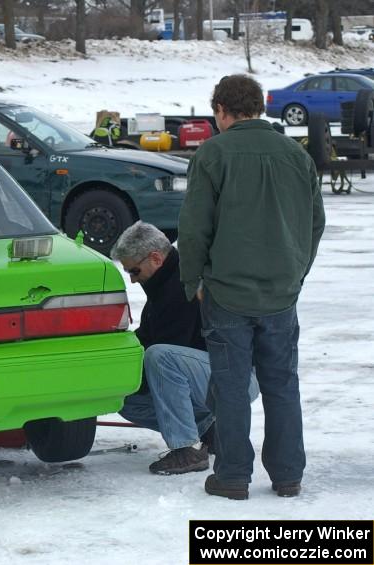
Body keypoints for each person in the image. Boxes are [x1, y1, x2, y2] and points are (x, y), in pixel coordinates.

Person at [178, 74, 325, 500]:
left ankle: (233, 475)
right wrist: (297, 272)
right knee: (282, 383)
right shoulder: (295, 155)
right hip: (281, 292)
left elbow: (193, 229)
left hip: (226, 292)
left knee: (230, 384)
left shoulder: (213, 154)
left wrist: (194, 281)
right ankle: (287, 475)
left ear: (222, 110)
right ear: (258, 107)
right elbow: (316, 223)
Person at [113, 221, 214, 475]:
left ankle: (186, 449)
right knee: (127, 400)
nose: (133, 280)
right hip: (205, 372)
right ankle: (210, 430)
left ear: (155, 258)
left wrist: (130, 378)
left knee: (160, 357)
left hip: (231, 374)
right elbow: (146, 337)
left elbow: (165, 351)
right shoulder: (164, 283)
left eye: (134, 271)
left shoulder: (180, 286)